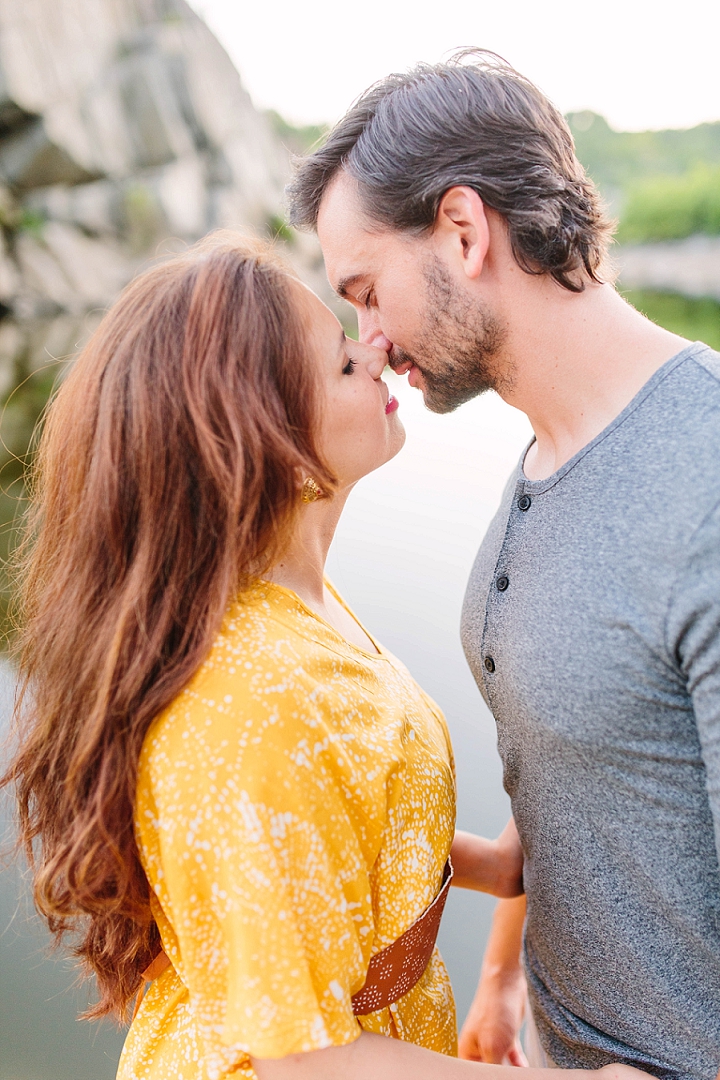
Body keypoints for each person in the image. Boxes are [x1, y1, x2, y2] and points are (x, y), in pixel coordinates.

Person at [0, 236, 645, 1080]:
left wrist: (485, 863)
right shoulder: (248, 704)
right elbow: (306, 1062)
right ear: (262, 436)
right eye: (343, 362)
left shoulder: (288, 609)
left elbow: (328, 817)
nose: (375, 346)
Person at [288, 49, 720, 1080]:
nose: (371, 340)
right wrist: (499, 976)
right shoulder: (540, 459)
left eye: (367, 290)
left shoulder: (701, 480)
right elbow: (568, 752)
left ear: (465, 231)